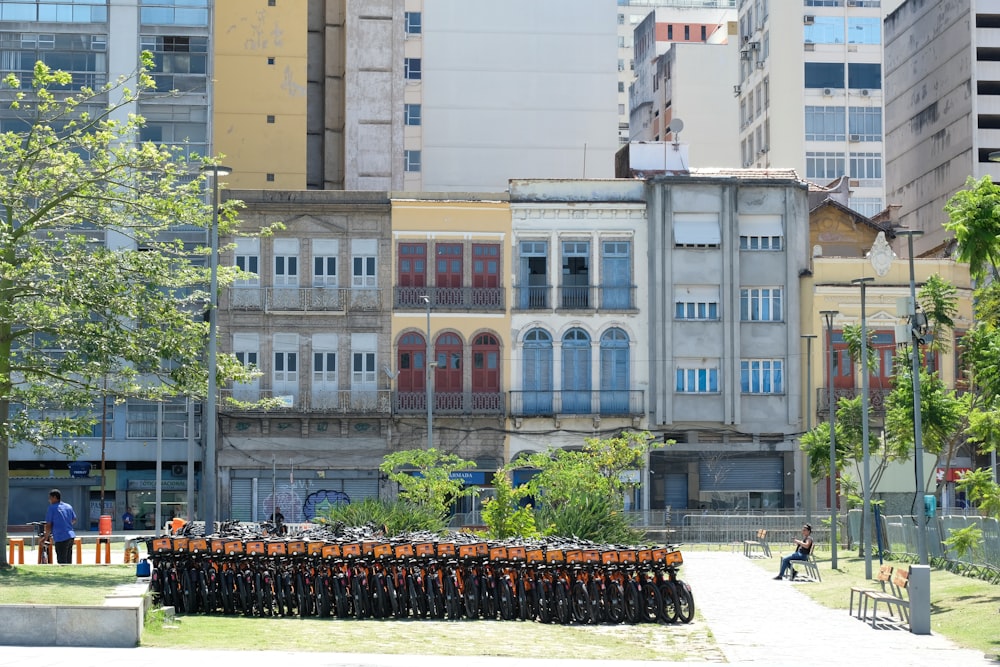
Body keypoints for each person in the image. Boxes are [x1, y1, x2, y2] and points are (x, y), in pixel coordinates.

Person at [42, 489, 77, 565]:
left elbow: (48, 525)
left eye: (50, 498)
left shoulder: (52, 508)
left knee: (61, 560)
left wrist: (45, 537)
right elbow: (74, 519)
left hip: (61, 537)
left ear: (55, 497)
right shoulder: (68, 507)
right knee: (68, 559)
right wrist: (66, 524)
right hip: (70, 535)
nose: (49, 500)